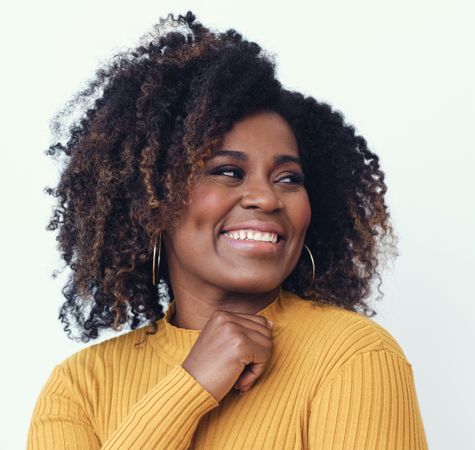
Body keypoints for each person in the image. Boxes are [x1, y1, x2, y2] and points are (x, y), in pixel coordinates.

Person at [27, 11, 428, 449]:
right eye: (228, 171)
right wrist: (190, 386)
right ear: (151, 201)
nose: (268, 198)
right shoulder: (80, 387)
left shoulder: (352, 355)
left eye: (289, 178)